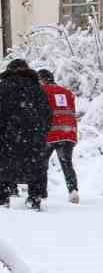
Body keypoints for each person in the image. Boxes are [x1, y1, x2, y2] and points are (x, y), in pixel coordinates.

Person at [0, 59, 51, 210]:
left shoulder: (2, 88)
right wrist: (41, 132)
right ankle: (34, 198)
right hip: (32, 138)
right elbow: (47, 115)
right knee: (35, 168)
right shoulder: (37, 89)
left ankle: (3, 197)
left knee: (2, 166)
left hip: (5, 139)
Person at [36, 70, 80, 204]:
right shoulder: (67, 92)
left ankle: (41, 192)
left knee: (41, 164)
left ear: (42, 80)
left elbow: (40, 112)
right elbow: (71, 111)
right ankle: (73, 190)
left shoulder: (42, 91)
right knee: (67, 163)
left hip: (50, 133)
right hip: (68, 133)